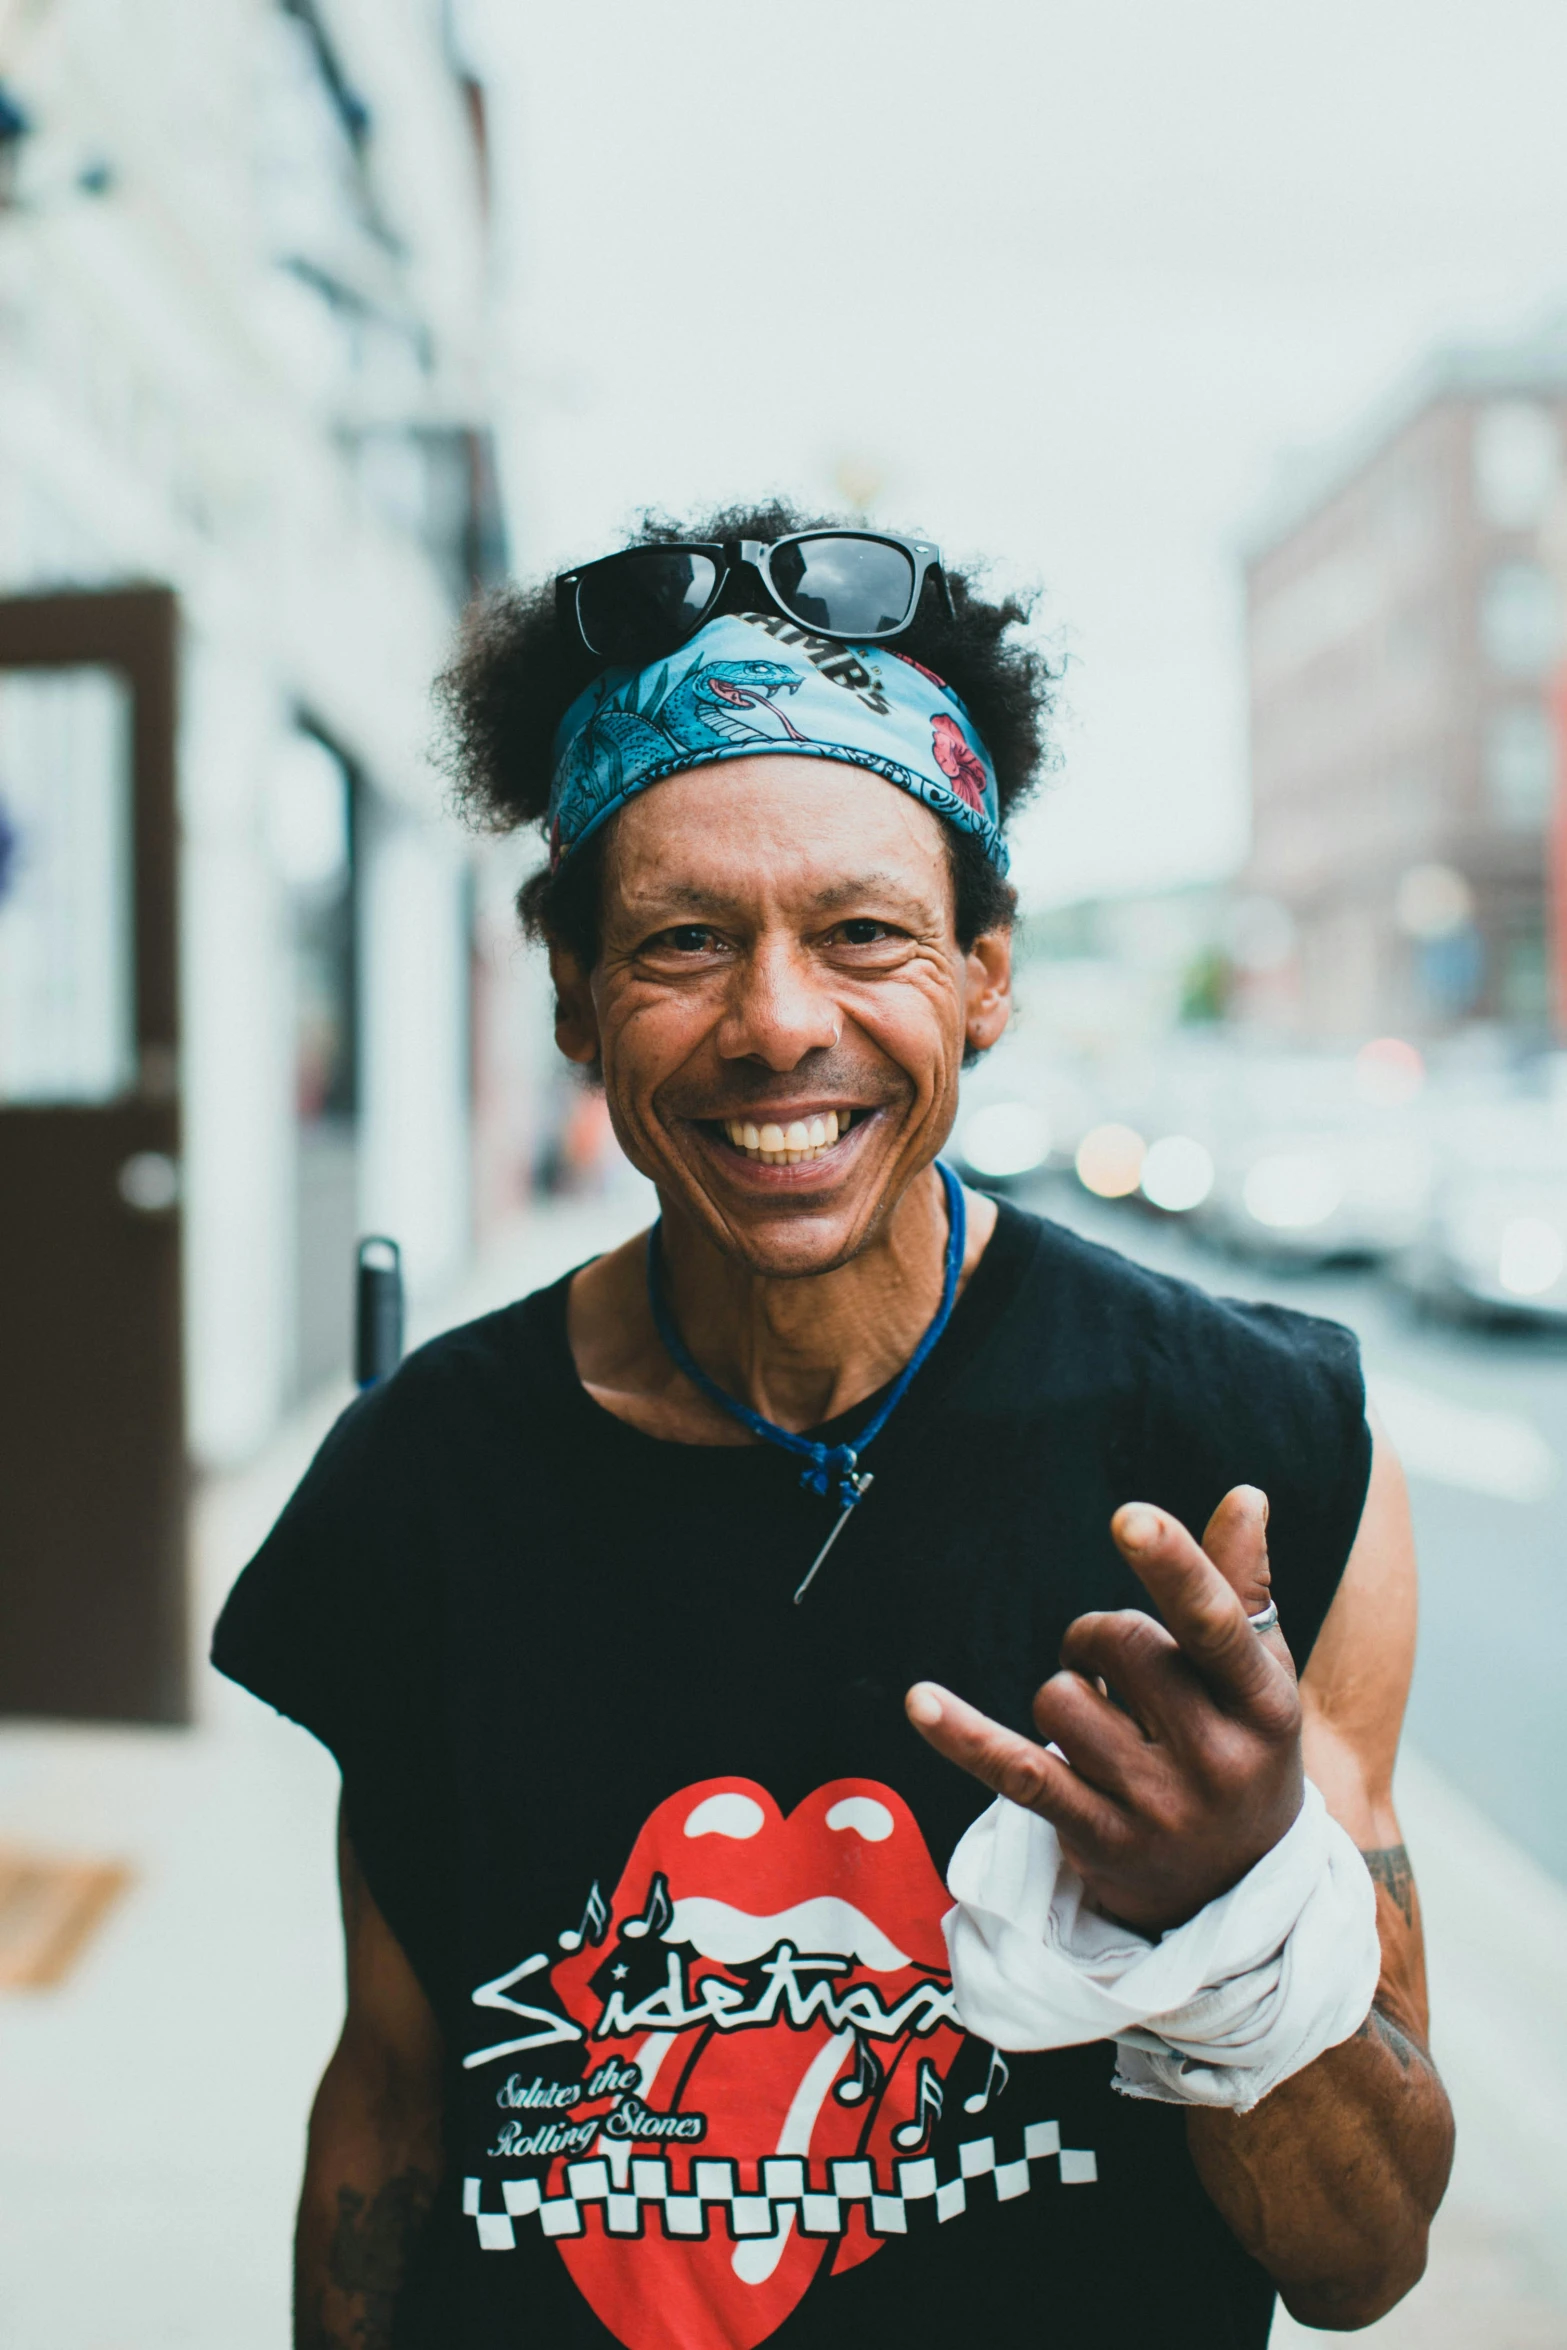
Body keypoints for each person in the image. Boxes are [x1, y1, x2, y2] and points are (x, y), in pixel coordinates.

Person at [213, 502, 1453, 2350]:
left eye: (864, 931)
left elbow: (1358, 2264)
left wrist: (1228, 1914)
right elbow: (390, 2102)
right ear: (570, 991)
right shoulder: (421, 1486)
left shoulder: (1253, 1454)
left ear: (987, 970)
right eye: (682, 941)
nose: (776, 1023)